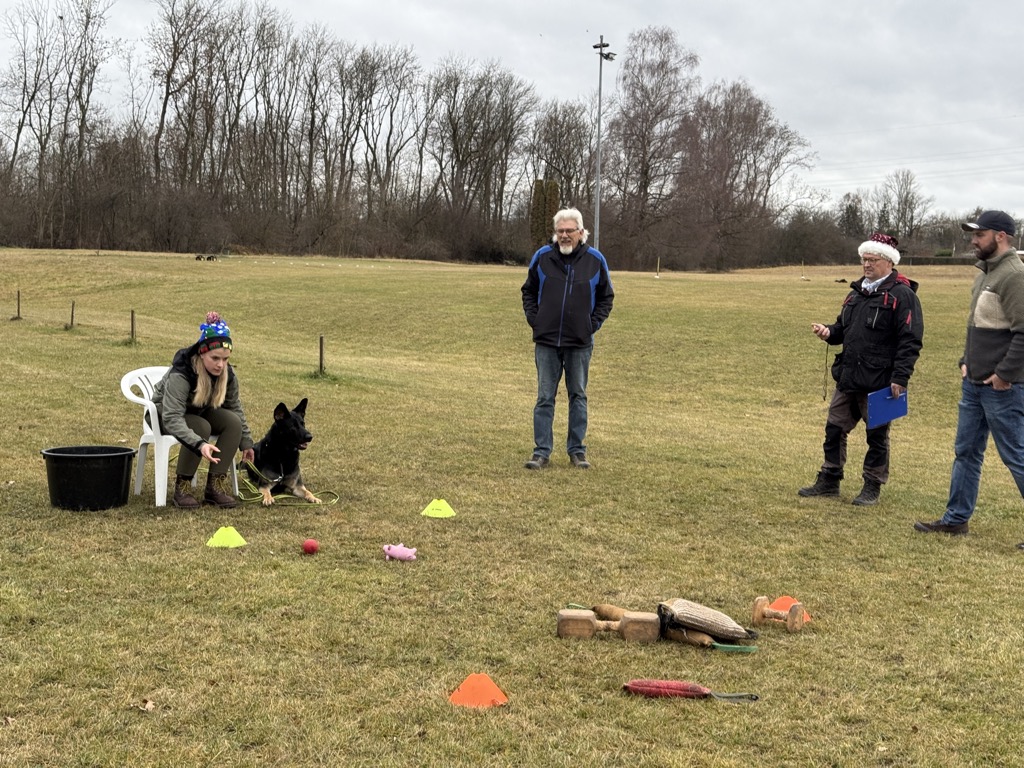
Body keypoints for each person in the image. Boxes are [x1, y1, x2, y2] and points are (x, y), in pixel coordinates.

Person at [915, 210, 1024, 545]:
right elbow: (977, 326)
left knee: (1017, 456)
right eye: (973, 235)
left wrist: (1004, 375)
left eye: (980, 235)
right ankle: (955, 520)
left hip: (1002, 388)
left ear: (1000, 236)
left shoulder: (1014, 276)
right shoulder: (984, 274)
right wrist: (966, 361)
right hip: (973, 384)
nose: (973, 241)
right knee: (966, 452)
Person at [798, 233, 924, 505]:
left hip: (882, 381)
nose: (866, 264)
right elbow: (842, 329)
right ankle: (830, 479)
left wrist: (900, 377)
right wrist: (828, 332)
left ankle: (872, 485)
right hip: (849, 376)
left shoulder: (902, 295)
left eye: (872, 259)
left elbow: (910, 341)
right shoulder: (855, 293)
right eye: (864, 259)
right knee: (834, 428)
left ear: (888, 262)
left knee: (877, 437)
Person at [521, 208, 614, 469]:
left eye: (569, 231)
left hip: (579, 342)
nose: (564, 235)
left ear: (581, 232)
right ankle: (541, 452)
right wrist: (536, 320)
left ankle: (577, 451)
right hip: (547, 341)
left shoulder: (595, 260)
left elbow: (606, 297)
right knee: (544, 397)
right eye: (560, 231)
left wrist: (591, 325)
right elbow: (528, 291)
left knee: (578, 396)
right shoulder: (542, 257)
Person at [151, 311, 255, 508]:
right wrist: (199, 444)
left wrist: (247, 443)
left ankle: (215, 487)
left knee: (232, 422)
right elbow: (171, 417)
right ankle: (183, 488)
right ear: (202, 352)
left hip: (197, 411)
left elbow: (234, 406)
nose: (220, 365)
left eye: (225, 359)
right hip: (162, 415)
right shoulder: (182, 373)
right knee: (201, 426)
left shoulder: (227, 374)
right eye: (215, 358)